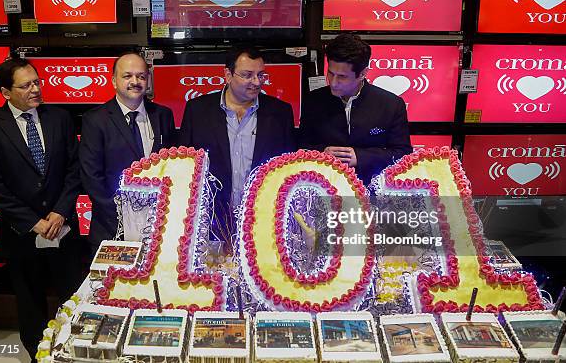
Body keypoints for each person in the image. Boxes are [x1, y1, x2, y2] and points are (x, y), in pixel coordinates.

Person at [0, 57, 83, 360]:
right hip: (20, 235)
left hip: (64, 228)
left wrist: (60, 212)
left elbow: (74, 170)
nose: (36, 89)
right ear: (6, 92)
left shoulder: (60, 118)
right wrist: (34, 222)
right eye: (26, 85)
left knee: (72, 296)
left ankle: (74, 352)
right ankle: (38, 355)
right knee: (30, 302)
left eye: (37, 81)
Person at [179, 47, 295, 242]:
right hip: (211, 221)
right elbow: (185, 167)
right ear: (228, 74)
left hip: (263, 221)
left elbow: (288, 169)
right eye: (247, 75)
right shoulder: (197, 111)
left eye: (261, 75)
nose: (256, 82)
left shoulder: (280, 113)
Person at [80, 52, 175, 250]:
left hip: (159, 227)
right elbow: (92, 177)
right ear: (114, 80)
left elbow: (171, 168)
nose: (135, 81)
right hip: (111, 227)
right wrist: (128, 216)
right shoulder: (95, 120)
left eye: (141, 76)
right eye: (127, 76)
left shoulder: (163, 115)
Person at [300, 34, 412, 185]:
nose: (333, 83)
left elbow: (403, 154)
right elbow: (300, 147)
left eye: (342, 77)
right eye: (331, 73)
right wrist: (322, 153)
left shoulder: (391, 104)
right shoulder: (314, 100)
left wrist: (361, 157)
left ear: (363, 74)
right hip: (323, 188)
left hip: (374, 189)